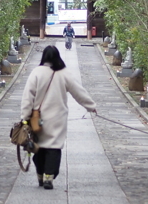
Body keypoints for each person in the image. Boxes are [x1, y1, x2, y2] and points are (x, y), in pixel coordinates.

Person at [19, 44, 96, 189]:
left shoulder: (36, 72)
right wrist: (91, 106)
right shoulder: (64, 73)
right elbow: (78, 91)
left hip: (37, 119)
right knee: (54, 148)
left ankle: (40, 176)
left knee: (38, 147)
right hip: (57, 119)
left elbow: (27, 97)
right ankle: (49, 177)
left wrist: (24, 116)